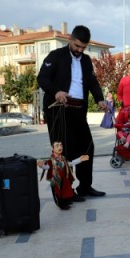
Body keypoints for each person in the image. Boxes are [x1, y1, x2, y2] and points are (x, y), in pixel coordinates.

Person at [37, 25, 107, 200]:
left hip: (78, 110)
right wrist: (56, 92)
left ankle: (85, 186)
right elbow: (42, 78)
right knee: (64, 152)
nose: (80, 50)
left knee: (87, 147)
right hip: (58, 110)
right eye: (77, 46)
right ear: (70, 40)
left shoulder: (86, 60)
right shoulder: (56, 56)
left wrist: (99, 99)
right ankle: (64, 192)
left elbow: (92, 82)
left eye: (83, 47)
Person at [37, 141, 89, 210]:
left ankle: (66, 200)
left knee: (65, 190)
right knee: (58, 193)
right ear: (52, 148)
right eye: (57, 146)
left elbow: (70, 163)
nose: (60, 147)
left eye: (61, 145)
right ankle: (61, 204)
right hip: (56, 179)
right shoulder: (51, 161)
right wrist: (42, 165)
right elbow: (47, 167)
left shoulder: (63, 159)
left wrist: (80, 159)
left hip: (64, 179)